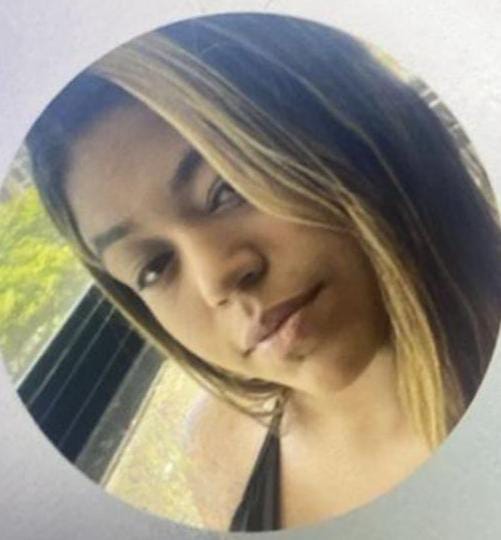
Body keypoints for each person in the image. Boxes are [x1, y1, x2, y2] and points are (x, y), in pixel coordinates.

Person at [25, 13, 501, 532]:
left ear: (347, 123)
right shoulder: (220, 453)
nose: (215, 279)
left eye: (226, 188)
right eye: (154, 267)